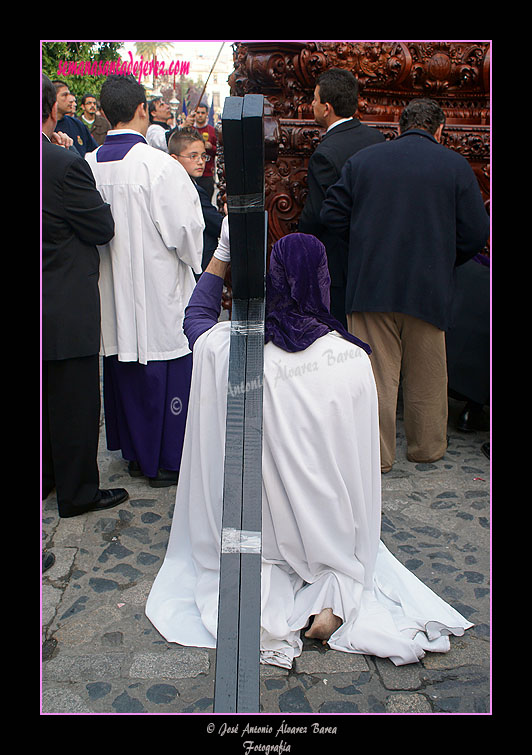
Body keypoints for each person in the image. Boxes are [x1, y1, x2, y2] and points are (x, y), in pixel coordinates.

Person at [146, 226, 472, 669]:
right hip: (328, 522)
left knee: (260, 566)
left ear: (271, 280)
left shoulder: (233, 348)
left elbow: (195, 319)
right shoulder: (352, 358)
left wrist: (223, 254)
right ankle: (332, 590)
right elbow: (359, 460)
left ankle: (274, 592)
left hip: (257, 526)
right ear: (323, 279)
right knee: (346, 563)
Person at [320, 98, 490, 473]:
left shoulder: (365, 161)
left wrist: (363, 245)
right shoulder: (454, 166)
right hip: (428, 286)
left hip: (372, 284)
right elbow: (477, 232)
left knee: (376, 375)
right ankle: (426, 448)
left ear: (399, 126)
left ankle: (376, 456)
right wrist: (446, 259)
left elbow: (331, 213)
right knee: (428, 375)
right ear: (439, 130)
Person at [85, 74, 205, 488]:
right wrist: (196, 265)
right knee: (164, 364)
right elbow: (187, 233)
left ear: (103, 113)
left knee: (123, 362)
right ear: (142, 109)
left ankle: (136, 455)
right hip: (157, 294)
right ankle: (167, 461)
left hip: (111, 294)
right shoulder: (159, 166)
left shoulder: (87, 165)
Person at [41, 73, 129, 518]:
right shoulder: (62, 164)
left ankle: (48, 477)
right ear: (53, 110)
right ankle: (77, 492)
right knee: (74, 400)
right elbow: (100, 226)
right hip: (63, 298)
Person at [298, 68, 385, 327]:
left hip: (341, 262)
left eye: (314, 99)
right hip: (377, 254)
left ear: (326, 108)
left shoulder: (325, 154)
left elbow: (317, 213)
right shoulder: (376, 138)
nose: (311, 104)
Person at [168, 127, 224, 271]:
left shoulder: (175, 185)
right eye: (193, 156)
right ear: (174, 159)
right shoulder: (194, 192)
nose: (200, 162)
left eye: (203, 156)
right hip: (199, 263)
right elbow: (218, 225)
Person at [52, 80, 98, 157]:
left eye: (69, 95)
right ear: (52, 97)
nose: (70, 100)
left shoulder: (77, 125)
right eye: (64, 95)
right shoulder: (46, 126)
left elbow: (93, 152)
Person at [184, 103, 217, 199]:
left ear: (207, 114)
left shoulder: (212, 131)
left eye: (202, 113)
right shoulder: (189, 130)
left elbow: (219, 151)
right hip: (190, 174)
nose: (200, 115)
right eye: (198, 113)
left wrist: (211, 147)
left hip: (207, 174)